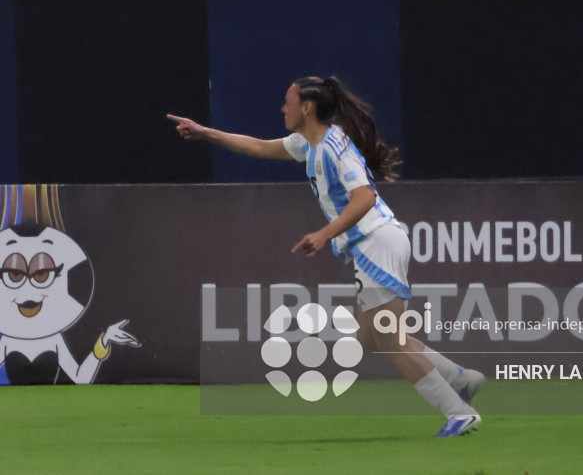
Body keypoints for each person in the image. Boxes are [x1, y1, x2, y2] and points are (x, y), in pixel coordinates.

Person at [167, 75, 484, 437]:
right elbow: (258, 146)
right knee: (370, 337)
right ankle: (458, 378)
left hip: (376, 243)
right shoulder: (308, 143)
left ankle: (458, 411)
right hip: (374, 243)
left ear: (307, 107)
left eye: (287, 101)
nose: (282, 108)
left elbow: (364, 197)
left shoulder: (334, 147)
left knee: (390, 341)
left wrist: (324, 233)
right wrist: (205, 132)